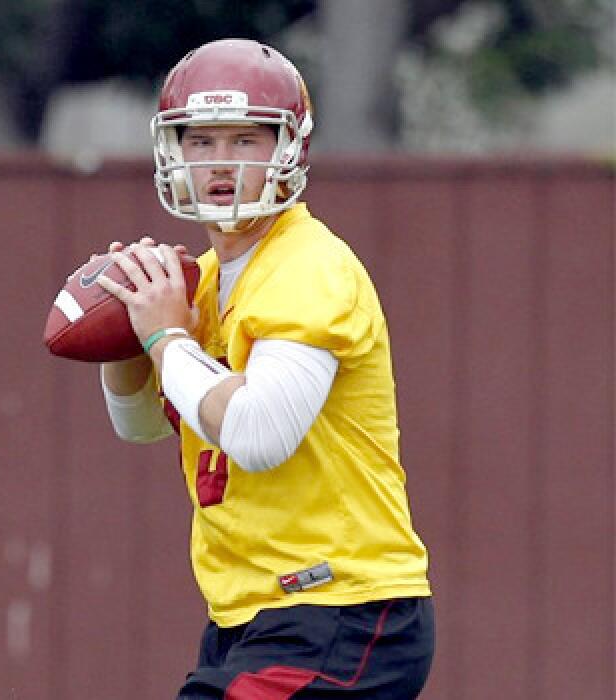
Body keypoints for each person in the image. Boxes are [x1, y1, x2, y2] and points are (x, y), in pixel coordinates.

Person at [94, 39, 434, 698]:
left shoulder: (309, 266)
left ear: (288, 150)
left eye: (245, 140)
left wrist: (165, 336)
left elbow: (257, 435)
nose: (220, 163)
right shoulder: (208, 279)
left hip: (342, 605)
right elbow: (140, 426)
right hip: (249, 612)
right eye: (200, 141)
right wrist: (126, 336)